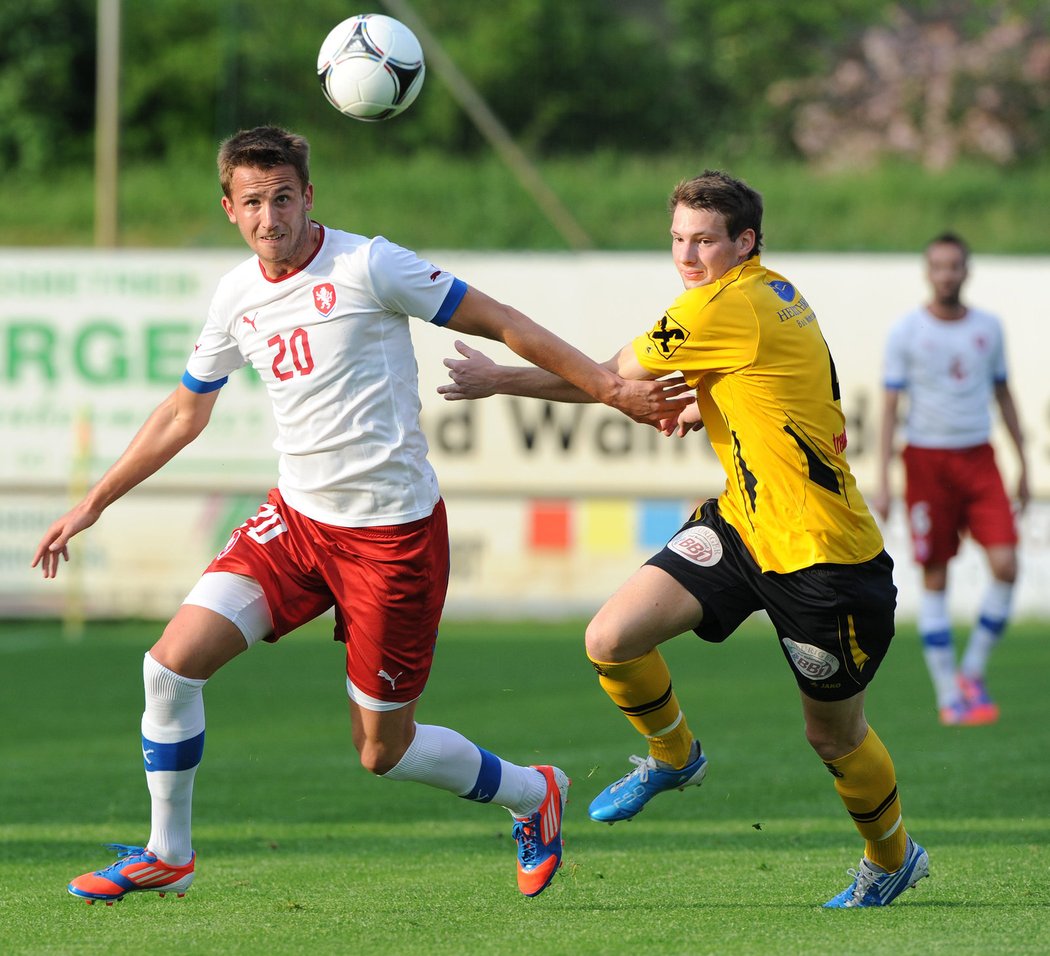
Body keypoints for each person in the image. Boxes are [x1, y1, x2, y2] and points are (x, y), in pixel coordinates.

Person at [31, 125, 692, 905]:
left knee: (382, 752)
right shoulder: (237, 295)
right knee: (169, 666)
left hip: (393, 540)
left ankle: (532, 792)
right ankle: (167, 852)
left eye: (283, 198)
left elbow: (503, 321)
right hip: (296, 525)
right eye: (253, 202)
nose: (270, 216)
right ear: (229, 210)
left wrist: (612, 389)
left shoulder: (369, 264)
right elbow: (184, 412)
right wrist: (92, 503)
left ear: (309, 197)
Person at [438, 170, 929, 908]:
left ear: (745, 241)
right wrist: (714, 405)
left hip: (824, 559)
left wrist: (499, 377)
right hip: (743, 527)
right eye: (677, 239)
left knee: (834, 736)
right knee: (611, 637)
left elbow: (606, 379)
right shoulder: (774, 290)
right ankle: (674, 757)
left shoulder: (724, 308)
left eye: (704, 240)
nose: (687, 255)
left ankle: (892, 859)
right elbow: (779, 387)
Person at [874, 232, 1028, 726]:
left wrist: (1023, 462)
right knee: (935, 576)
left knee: (1006, 564)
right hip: (926, 462)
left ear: (966, 271)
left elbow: (1003, 394)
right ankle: (948, 696)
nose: (946, 274)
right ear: (928, 272)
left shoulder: (988, 327)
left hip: (980, 459)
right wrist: (882, 478)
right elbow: (890, 407)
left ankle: (972, 672)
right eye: (938, 266)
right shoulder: (907, 332)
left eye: (954, 266)